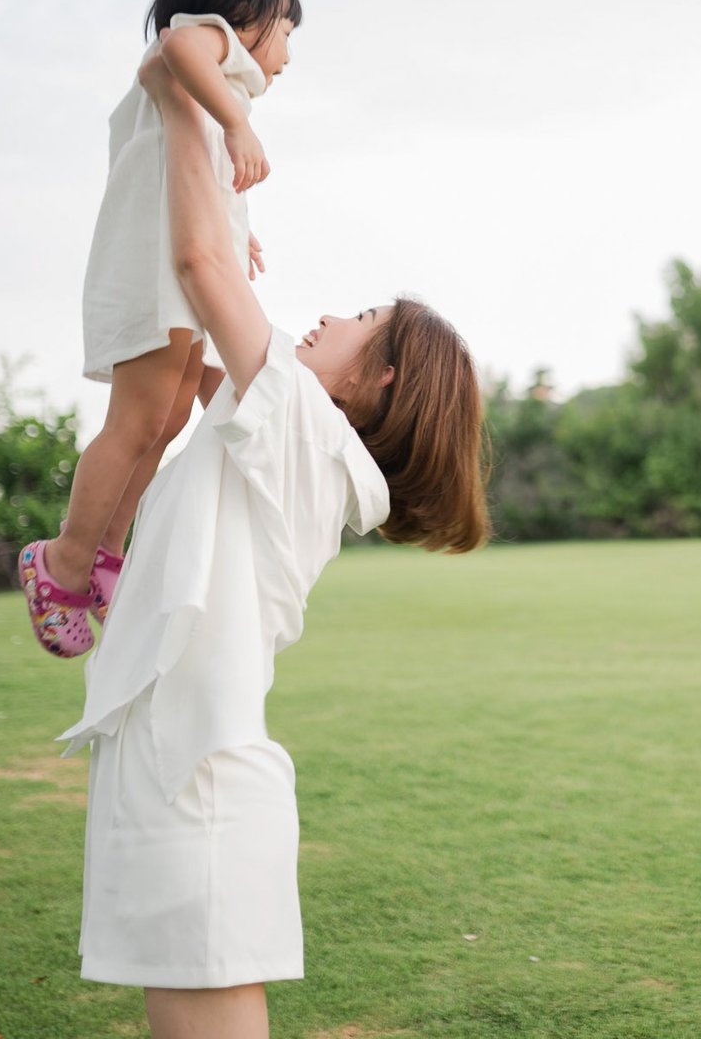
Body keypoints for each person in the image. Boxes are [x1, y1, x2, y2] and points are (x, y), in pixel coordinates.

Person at [53, 51, 490, 1039]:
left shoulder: (300, 424)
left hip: (198, 771)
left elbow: (202, 275)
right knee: (191, 1002)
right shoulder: (293, 430)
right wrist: (216, 205)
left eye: (361, 319)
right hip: (183, 758)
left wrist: (182, 112)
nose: (331, 315)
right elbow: (193, 342)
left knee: (200, 1005)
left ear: (379, 380)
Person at [20, 0, 297, 657]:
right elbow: (176, 52)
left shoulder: (215, 90)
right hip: (153, 268)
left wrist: (242, 236)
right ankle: (63, 561)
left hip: (176, 269)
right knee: (139, 419)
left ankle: (109, 551)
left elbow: (197, 181)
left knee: (169, 417)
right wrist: (237, 122)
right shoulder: (201, 48)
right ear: (243, 15)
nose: (288, 55)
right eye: (286, 29)